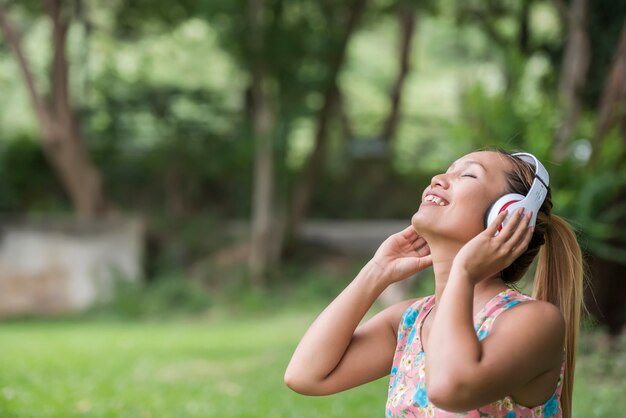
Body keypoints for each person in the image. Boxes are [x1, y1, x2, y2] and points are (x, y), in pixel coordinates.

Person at [284, 150, 583, 418]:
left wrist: (464, 272)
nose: (438, 178)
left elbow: (449, 388)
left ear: (505, 217)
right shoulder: (411, 321)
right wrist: (376, 271)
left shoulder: (534, 321)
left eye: (467, 174)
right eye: (447, 169)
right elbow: (306, 375)